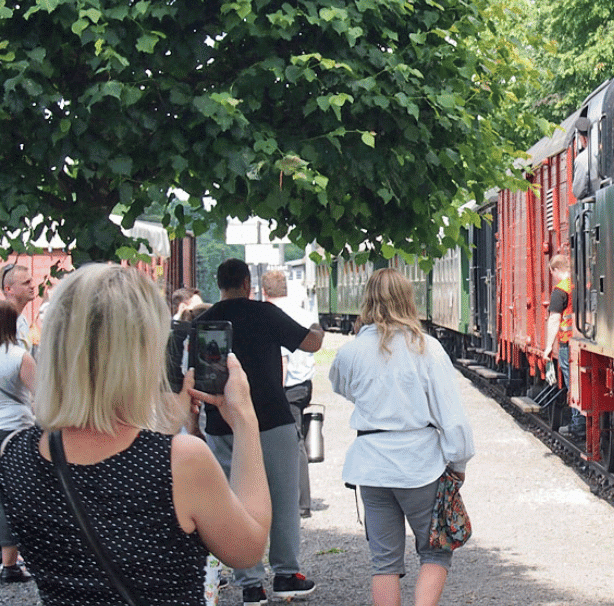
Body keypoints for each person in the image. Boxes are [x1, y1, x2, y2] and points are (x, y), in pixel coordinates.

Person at [0, 263, 271, 605]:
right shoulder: (182, 461)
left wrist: (168, 422)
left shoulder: (14, 455)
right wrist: (244, 419)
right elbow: (249, 548)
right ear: (143, 349)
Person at [329, 268, 474, 606]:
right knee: (435, 552)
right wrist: (459, 461)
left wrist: (375, 402)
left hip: (371, 467)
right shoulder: (427, 348)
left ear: (367, 300)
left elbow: (340, 385)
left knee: (384, 561)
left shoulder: (351, 352)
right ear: (408, 299)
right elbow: (451, 417)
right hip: (419, 465)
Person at [197, 258, 323, 606]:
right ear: (247, 284)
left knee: (236, 501)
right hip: (271, 418)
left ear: (219, 284)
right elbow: (310, 343)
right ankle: (286, 575)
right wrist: (318, 326)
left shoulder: (203, 322)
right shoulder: (264, 313)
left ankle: (250, 583)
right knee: (283, 498)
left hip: (222, 423)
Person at [261, 269, 319, 518]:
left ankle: (298, 502)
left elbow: (282, 360)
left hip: (284, 387)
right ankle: (298, 499)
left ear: (264, 291)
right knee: (296, 440)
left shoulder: (273, 315)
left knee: (292, 443)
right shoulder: (305, 314)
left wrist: (274, 392)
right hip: (304, 385)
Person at [0, 300, 35, 584]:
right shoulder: (19, 356)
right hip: (14, 433)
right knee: (12, 497)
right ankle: (10, 564)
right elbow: (41, 393)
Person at [541, 254, 582, 437]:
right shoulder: (582, 283)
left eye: (553, 274)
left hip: (568, 343)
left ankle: (578, 423)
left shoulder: (560, 290)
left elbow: (554, 319)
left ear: (556, 270)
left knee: (573, 383)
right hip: (586, 341)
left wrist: (549, 346)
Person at [1, 264, 35, 353]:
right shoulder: (3, 320)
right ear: (8, 289)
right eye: (26, 283)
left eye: (31, 281)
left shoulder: (22, 320)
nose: (33, 286)